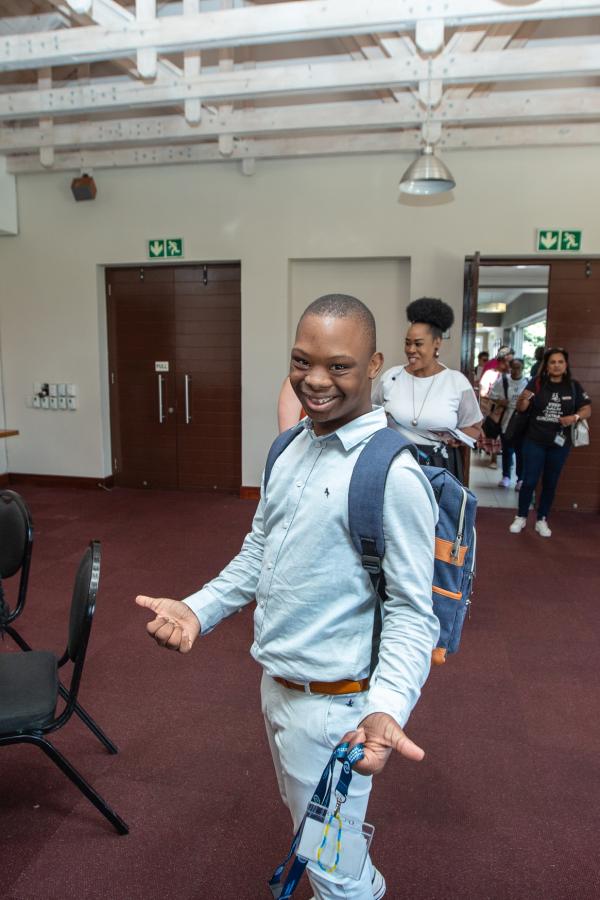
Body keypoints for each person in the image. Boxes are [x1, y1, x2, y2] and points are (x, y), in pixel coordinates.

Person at [136, 294, 439, 900]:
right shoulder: (288, 446)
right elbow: (259, 551)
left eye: (339, 366)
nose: (316, 380)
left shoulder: (393, 475)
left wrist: (387, 707)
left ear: (374, 365)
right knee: (316, 834)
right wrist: (198, 608)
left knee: (331, 870)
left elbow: (412, 611)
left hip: (337, 712)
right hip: (278, 686)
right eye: (302, 361)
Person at [372, 297, 481, 482]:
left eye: (418, 344)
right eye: (407, 343)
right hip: (396, 461)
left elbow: (475, 427)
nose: (410, 350)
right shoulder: (391, 377)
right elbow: (372, 414)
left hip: (439, 465)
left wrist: (459, 438)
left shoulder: (456, 382)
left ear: (437, 343)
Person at [509, 347, 591, 537]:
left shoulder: (573, 386)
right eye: (552, 362)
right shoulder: (537, 383)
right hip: (534, 440)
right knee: (529, 480)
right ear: (546, 365)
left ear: (566, 365)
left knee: (550, 482)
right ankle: (521, 516)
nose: (556, 365)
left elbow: (587, 409)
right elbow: (521, 408)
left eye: (560, 362)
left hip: (560, 443)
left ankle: (542, 519)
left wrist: (574, 417)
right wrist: (523, 400)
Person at [488, 357, 528, 489]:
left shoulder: (527, 382)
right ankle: (506, 476)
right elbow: (492, 395)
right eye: (513, 368)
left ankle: (520, 479)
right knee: (507, 449)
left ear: (522, 368)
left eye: (518, 368)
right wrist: (501, 401)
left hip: (522, 421)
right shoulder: (503, 380)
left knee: (521, 451)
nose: (516, 371)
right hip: (506, 419)